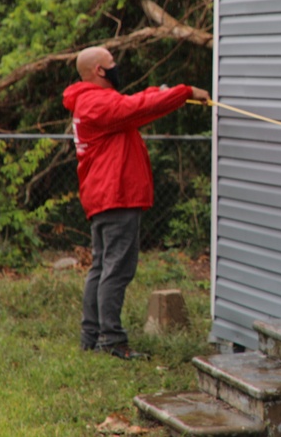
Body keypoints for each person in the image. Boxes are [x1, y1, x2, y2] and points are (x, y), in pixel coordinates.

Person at [62, 46, 210, 360]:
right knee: (115, 270)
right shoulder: (95, 102)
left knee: (102, 268)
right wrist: (184, 92)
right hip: (115, 196)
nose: (117, 66)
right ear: (100, 70)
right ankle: (111, 341)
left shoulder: (92, 101)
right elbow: (137, 106)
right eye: (112, 62)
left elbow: (140, 105)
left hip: (105, 197)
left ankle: (92, 337)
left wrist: (169, 94)